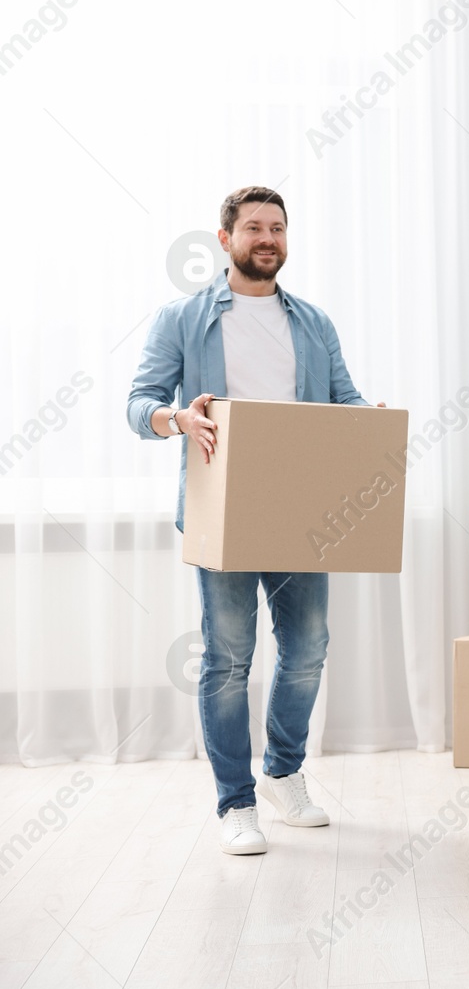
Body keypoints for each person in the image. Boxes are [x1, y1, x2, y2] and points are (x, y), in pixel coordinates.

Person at [127, 186, 382, 855]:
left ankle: (282, 772)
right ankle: (235, 802)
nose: (266, 238)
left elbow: (343, 400)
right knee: (229, 657)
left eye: (277, 227)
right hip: (225, 508)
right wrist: (177, 418)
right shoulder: (183, 318)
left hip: (304, 507)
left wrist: (370, 422)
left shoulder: (314, 323)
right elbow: (140, 404)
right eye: (253, 228)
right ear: (225, 238)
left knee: (308, 648)